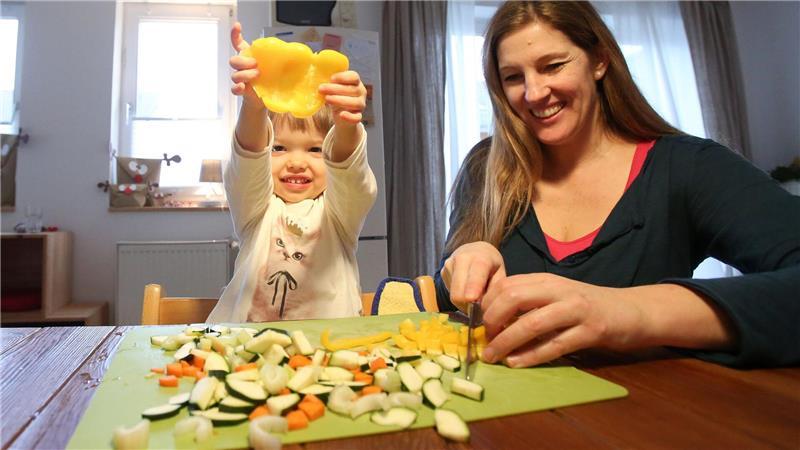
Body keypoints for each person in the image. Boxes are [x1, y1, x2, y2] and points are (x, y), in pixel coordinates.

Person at [435, 1, 800, 368]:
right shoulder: (486, 169)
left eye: (553, 66)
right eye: (513, 77)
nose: (533, 93)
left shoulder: (689, 166)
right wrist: (462, 264)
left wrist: (629, 311)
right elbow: (449, 304)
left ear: (599, 60)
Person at [208, 23, 376, 322]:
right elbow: (247, 161)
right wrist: (254, 106)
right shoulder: (257, 210)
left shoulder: (338, 215)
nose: (296, 162)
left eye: (315, 150)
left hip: (328, 349)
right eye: (280, 148)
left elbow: (352, 177)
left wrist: (346, 126)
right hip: (246, 352)